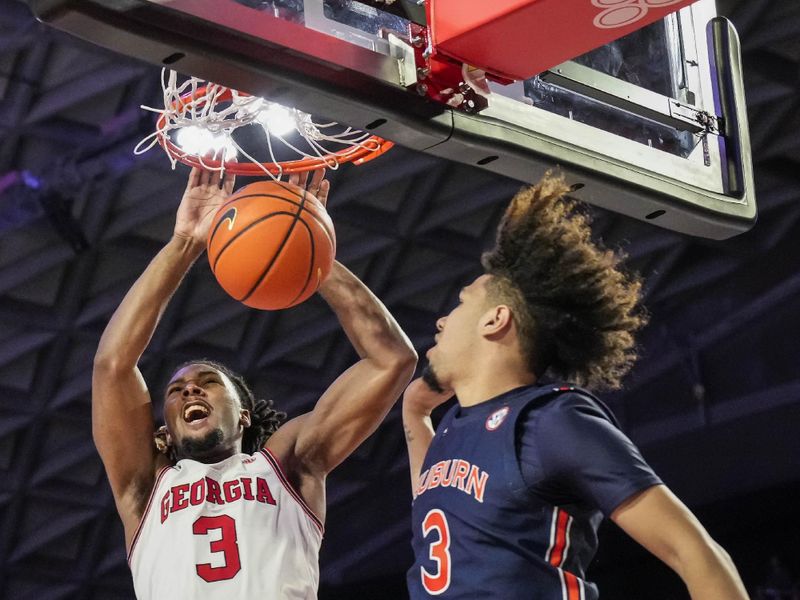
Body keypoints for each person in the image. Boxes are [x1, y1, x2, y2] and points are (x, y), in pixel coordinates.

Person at [402, 173, 749, 599]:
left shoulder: (551, 420)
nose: (441, 321)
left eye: (460, 304)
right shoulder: (454, 430)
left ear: (496, 320)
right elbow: (431, 502)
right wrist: (413, 412)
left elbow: (693, 553)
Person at [92, 167, 417, 599]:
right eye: (176, 390)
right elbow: (113, 366)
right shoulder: (144, 488)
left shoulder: (286, 465)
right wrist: (186, 243)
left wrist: (309, 248)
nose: (190, 389)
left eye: (208, 383)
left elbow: (391, 361)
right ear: (164, 431)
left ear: (243, 415)